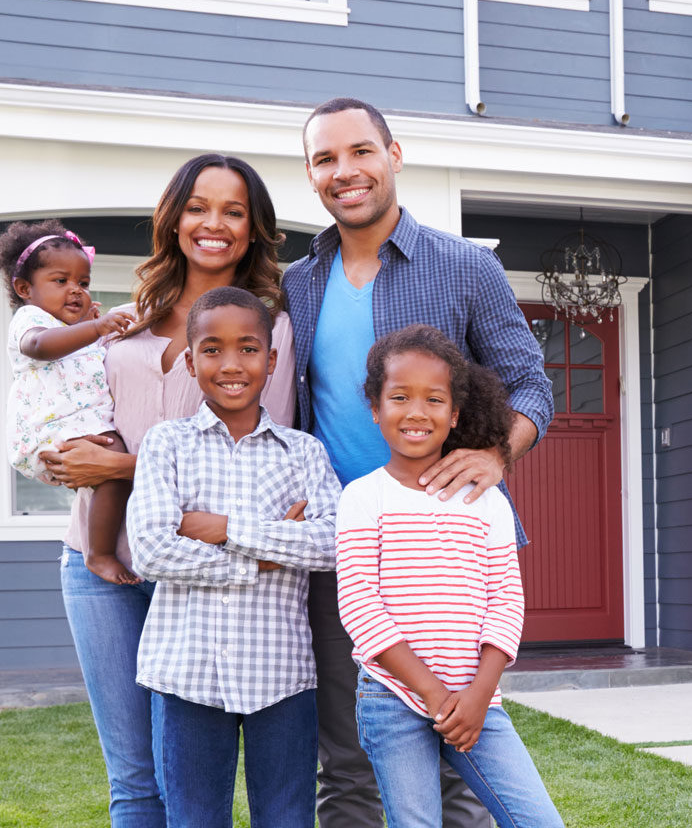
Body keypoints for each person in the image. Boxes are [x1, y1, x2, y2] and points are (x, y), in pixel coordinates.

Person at [284, 96, 553, 827]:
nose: (346, 171)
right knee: (346, 761)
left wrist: (499, 453)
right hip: (345, 548)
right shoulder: (296, 283)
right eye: (325, 159)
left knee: (459, 757)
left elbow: (531, 380)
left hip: (446, 545)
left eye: (360, 151)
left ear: (393, 155)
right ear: (311, 176)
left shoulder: (465, 266)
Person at [42, 154, 295, 828]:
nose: (213, 223)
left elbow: (255, 457)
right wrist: (61, 451)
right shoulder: (127, 317)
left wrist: (117, 468)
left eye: (233, 211)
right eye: (198, 206)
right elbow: (83, 407)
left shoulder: (266, 332)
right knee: (131, 779)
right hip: (92, 561)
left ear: (252, 228)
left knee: (184, 782)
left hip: (192, 567)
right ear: (174, 218)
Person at [337, 325, 563, 828]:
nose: (417, 412)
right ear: (375, 408)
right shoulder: (362, 498)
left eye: (434, 399)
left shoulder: (485, 501)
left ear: (454, 413)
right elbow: (359, 608)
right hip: (393, 697)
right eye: (399, 397)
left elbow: (506, 601)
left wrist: (478, 695)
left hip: (476, 698)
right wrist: (437, 697)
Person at [129, 286, 338, 828]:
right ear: (191, 360)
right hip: (186, 672)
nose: (231, 364)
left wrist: (223, 529)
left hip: (281, 673)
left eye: (248, 349)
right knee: (193, 819)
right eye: (212, 349)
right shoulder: (165, 444)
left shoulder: (304, 452)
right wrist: (263, 557)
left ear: (271, 361)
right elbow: (152, 549)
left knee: (287, 819)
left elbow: (334, 542)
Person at [0, 220, 138, 585]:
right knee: (112, 468)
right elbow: (40, 347)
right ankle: (98, 553)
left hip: (80, 423)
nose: (75, 291)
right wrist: (94, 327)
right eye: (61, 282)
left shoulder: (75, 329)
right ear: (25, 288)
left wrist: (88, 328)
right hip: (52, 427)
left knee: (112, 470)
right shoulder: (30, 320)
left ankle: (103, 547)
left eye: (83, 283)